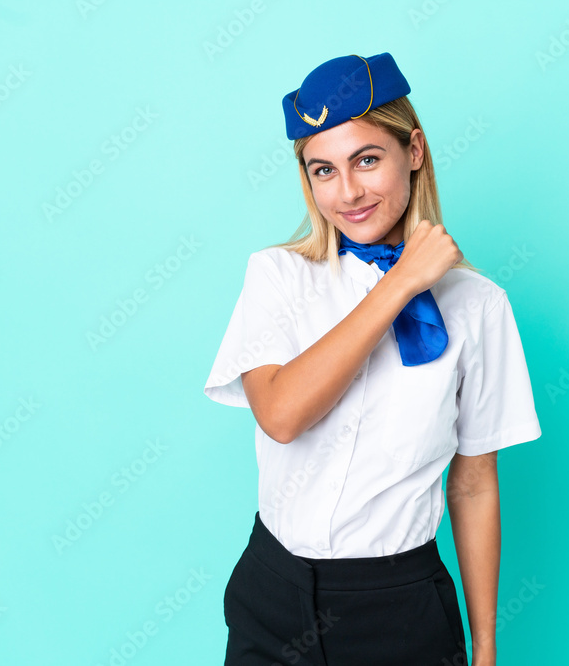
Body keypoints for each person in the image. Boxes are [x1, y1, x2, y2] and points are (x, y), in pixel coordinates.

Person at [204, 52, 542, 666]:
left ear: (413, 150)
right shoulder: (276, 275)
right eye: (324, 170)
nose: (349, 192)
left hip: (400, 610)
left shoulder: (480, 306)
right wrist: (401, 284)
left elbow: (473, 484)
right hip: (271, 593)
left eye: (367, 160)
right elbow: (281, 415)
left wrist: (486, 648)